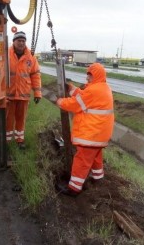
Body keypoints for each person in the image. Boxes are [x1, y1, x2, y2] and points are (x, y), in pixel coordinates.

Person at [56, 63, 114, 196]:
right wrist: (71, 89)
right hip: (100, 134)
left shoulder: (93, 90)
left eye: (89, 76)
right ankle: (98, 178)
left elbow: (76, 104)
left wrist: (60, 101)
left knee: (82, 159)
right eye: (87, 75)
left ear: (96, 76)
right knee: (95, 156)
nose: (87, 78)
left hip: (91, 134)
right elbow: (84, 97)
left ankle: (74, 188)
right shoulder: (103, 88)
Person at [6, 31, 42, 149]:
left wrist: (37, 93)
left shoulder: (31, 57)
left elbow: (35, 75)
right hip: (9, 95)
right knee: (8, 119)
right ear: (14, 42)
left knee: (21, 119)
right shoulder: (5, 54)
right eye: (19, 41)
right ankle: (6, 141)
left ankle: (20, 140)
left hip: (23, 95)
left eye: (23, 41)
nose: (21, 43)